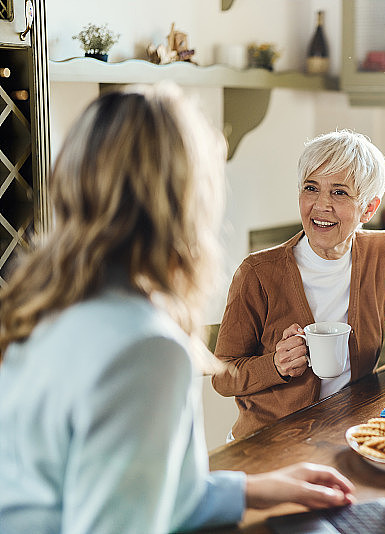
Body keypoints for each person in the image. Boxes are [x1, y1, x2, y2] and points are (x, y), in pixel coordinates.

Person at [0, 84, 355, 534]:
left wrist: (253, 489)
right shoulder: (145, 346)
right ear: (187, 199)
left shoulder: (42, 302)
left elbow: (133, 491)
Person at [212, 130, 385, 440]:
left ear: (368, 208)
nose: (320, 205)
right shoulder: (257, 273)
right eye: (311, 188)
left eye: (339, 192)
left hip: (346, 432)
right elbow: (222, 377)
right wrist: (276, 364)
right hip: (268, 442)